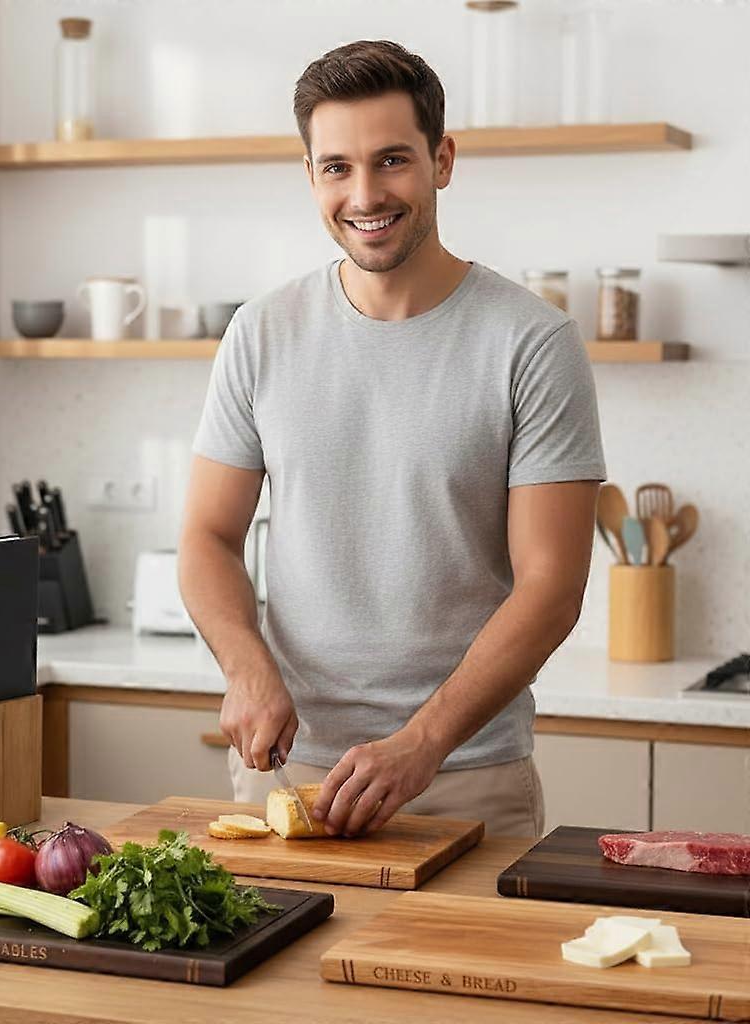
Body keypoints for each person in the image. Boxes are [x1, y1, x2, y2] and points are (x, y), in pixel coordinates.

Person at [177, 39, 606, 838]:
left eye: (392, 161)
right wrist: (245, 667)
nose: (364, 193)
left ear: (442, 160)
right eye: (336, 166)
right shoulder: (260, 334)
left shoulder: (532, 344)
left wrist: (423, 743)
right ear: (310, 176)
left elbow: (552, 587)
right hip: (293, 771)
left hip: (464, 776)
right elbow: (207, 536)